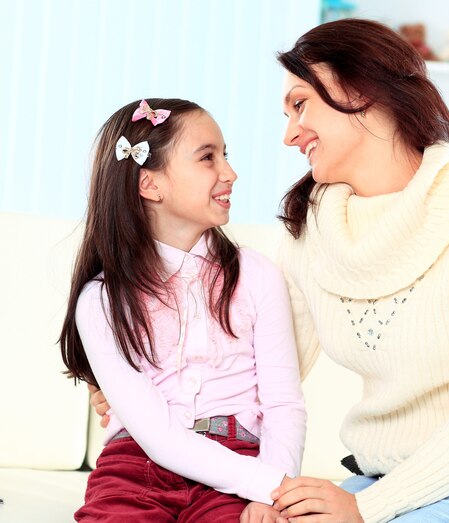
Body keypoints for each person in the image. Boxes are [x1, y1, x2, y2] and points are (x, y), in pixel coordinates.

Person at [269, 18, 449, 523]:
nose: (289, 134)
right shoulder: (308, 229)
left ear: (361, 87)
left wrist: (366, 509)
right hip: (382, 477)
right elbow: (266, 378)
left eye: (300, 104)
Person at [60, 98, 306, 522]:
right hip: (135, 467)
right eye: (208, 158)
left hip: (241, 461)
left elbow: (284, 404)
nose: (230, 173)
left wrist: (271, 494)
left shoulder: (257, 276)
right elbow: (157, 437)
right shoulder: (101, 300)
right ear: (150, 185)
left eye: (225, 155)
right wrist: (271, 485)